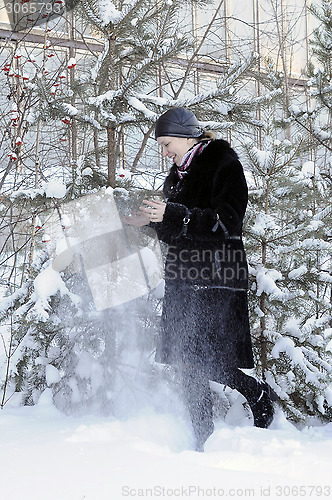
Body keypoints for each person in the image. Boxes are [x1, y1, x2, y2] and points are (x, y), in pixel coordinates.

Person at [125, 107, 277, 452]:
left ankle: (257, 394)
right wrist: (149, 223)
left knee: (209, 360)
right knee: (186, 360)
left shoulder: (223, 165)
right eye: (161, 147)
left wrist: (173, 213)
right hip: (183, 277)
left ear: (184, 134)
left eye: (166, 144)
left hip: (217, 277)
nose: (164, 153)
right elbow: (180, 230)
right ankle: (201, 439)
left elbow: (226, 223)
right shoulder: (178, 176)